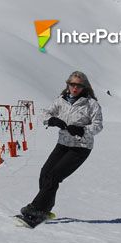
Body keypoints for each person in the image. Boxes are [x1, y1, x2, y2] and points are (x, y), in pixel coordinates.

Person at [20, 71, 103, 225]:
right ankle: (45, 209)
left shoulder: (91, 104)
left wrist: (82, 130)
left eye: (79, 85)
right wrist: (51, 120)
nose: (75, 88)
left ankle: (35, 208)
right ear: (68, 85)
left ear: (84, 87)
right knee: (45, 174)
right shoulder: (61, 100)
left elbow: (98, 126)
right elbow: (44, 113)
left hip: (81, 147)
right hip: (63, 143)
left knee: (54, 177)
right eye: (72, 84)